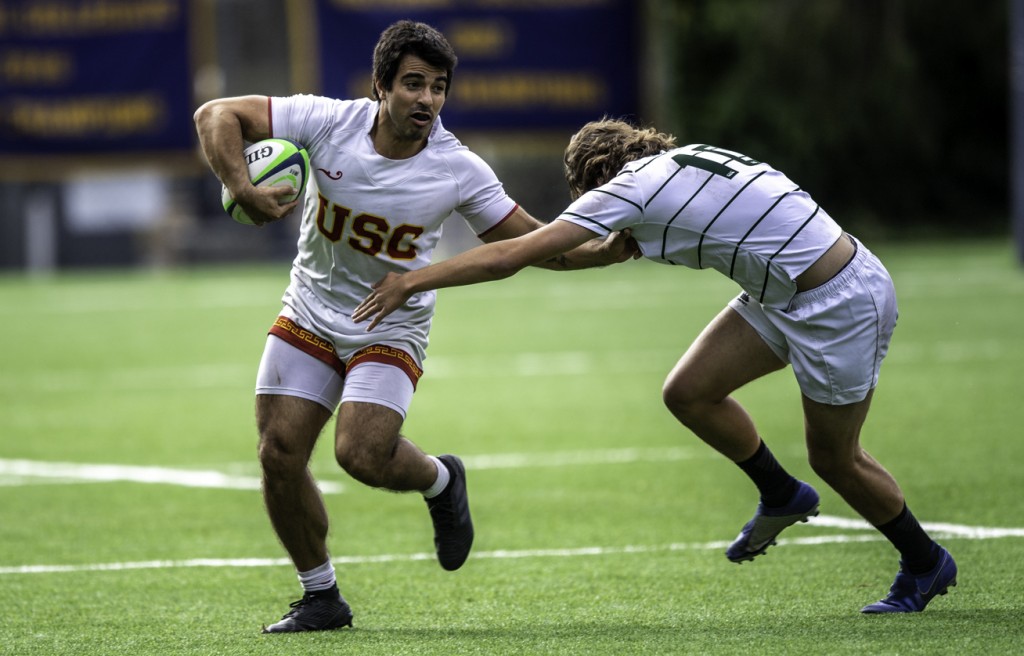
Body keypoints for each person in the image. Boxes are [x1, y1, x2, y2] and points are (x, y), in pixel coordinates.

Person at [353, 118, 958, 615]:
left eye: (583, 196)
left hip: (838, 302)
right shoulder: (681, 161)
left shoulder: (626, 190)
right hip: (787, 290)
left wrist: (413, 280)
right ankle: (781, 494)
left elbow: (512, 255)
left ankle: (924, 563)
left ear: (593, 179)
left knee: (836, 456)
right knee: (690, 391)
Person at [193, 23, 634, 634]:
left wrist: (602, 252)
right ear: (381, 87)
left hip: (391, 326)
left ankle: (441, 478)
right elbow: (215, 113)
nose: (426, 99)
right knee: (278, 452)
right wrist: (238, 184)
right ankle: (321, 596)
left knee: (361, 455)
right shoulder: (327, 121)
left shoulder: (457, 168)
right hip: (310, 309)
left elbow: (535, 245)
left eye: (438, 87)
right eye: (413, 84)